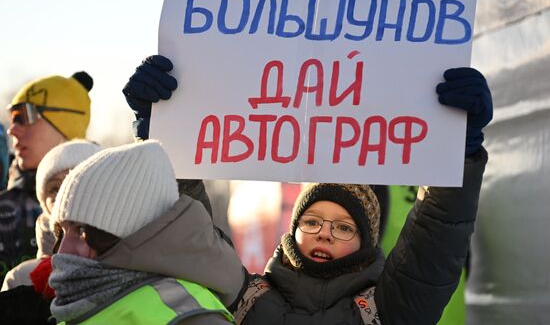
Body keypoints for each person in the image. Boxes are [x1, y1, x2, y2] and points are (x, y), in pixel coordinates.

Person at [123, 55, 492, 324]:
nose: (325, 234)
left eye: (344, 227)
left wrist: (458, 149)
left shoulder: (389, 309)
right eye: (313, 220)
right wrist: (162, 132)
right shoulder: (244, 299)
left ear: (367, 240)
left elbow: (437, 237)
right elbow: (190, 237)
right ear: (292, 228)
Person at [48, 140, 236, 324]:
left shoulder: (192, 317)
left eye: (80, 231)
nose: (62, 251)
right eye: (61, 233)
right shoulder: (76, 304)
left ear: (128, 230)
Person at [0, 71, 93, 284]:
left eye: (24, 115)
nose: (12, 130)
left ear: (66, 121)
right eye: (12, 119)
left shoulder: (115, 203)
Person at [1, 139, 102, 291]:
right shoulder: (21, 279)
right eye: (54, 188)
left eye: (76, 184)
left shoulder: (124, 270)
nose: (64, 195)